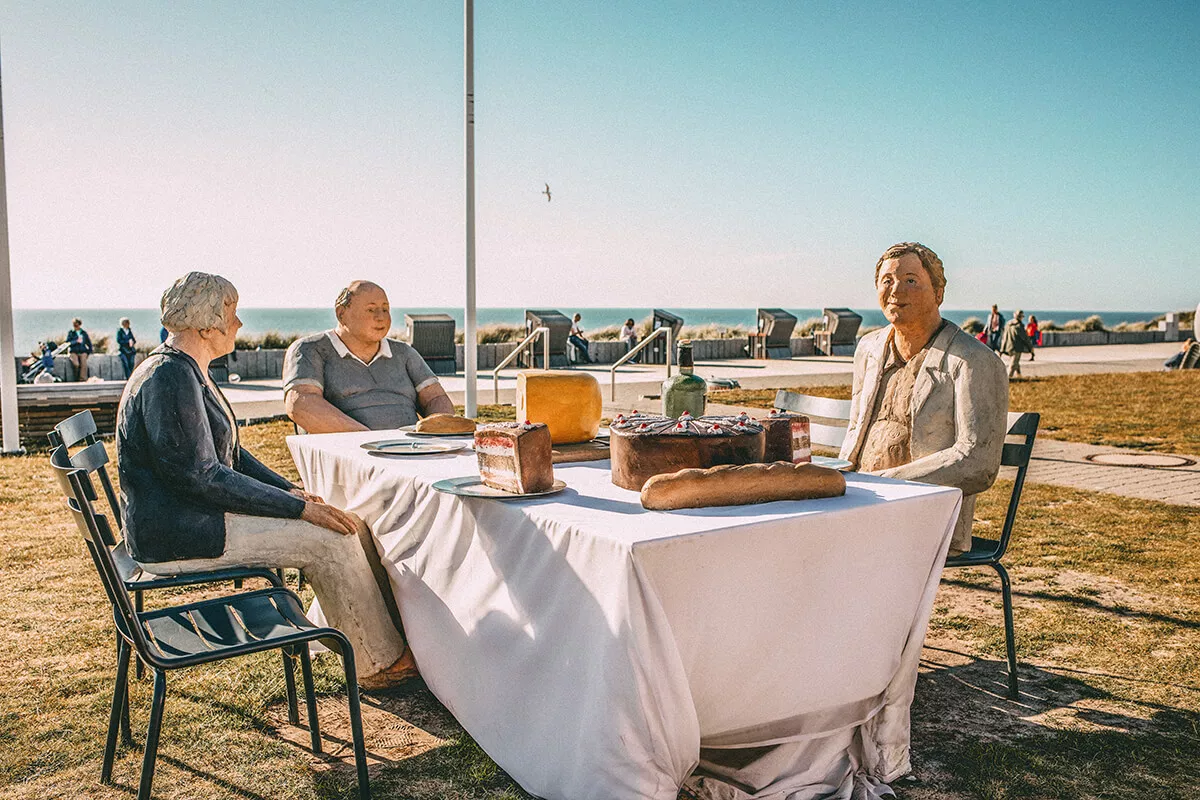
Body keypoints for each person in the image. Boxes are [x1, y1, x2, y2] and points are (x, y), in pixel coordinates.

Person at [117, 272, 415, 689]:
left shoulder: (186, 369)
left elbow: (233, 456)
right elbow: (202, 477)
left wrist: (290, 491)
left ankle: (390, 635)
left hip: (194, 518)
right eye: (231, 314)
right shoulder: (170, 377)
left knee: (351, 524)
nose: (239, 324)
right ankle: (377, 663)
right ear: (206, 324)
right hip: (180, 533)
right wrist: (298, 509)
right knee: (330, 540)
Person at [840, 242, 1008, 556]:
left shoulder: (973, 361)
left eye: (911, 280)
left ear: (938, 293)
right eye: (887, 280)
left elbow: (977, 462)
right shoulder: (868, 349)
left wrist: (886, 484)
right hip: (854, 506)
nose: (896, 290)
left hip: (927, 520)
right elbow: (855, 430)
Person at [283, 281, 454, 433]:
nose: (381, 317)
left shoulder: (404, 353)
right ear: (341, 314)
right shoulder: (310, 349)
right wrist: (365, 439)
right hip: (346, 451)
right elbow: (301, 404)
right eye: (371, 309)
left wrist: (438, 433)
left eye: (385, 309)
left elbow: (435, 398)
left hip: (410, 448)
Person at [1000, 310, 1036, 378]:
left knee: (1016, 362)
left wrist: (1002, 349)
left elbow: (1004, 337)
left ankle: (1019, 375)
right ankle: (1008, 378)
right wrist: (1030, 348)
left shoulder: (1008, 324)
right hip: (1016, 347)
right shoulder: (1019, 326)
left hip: (1008, 346)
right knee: (1013, 364)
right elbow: (1025, 338)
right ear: (1020, 317)